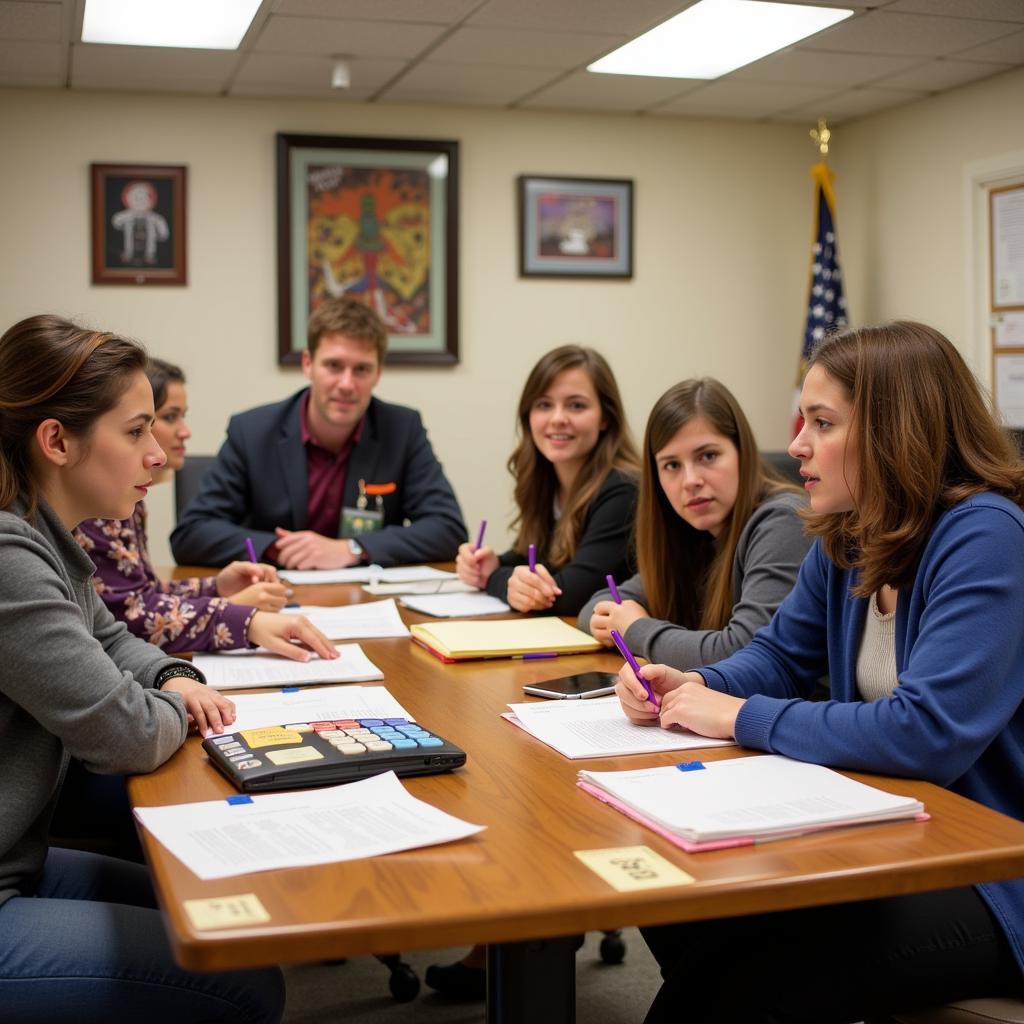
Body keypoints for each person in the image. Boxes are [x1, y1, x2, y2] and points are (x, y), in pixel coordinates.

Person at [616, 321, 1024, 1023]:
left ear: (899, 432)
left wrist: (741, 716)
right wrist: (698, 687)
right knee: (700, 919)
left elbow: (927, 732)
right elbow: (778, 657)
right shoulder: (850, 532)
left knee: (741, 977)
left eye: (823, 423)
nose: (796, 443)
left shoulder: (985, 535)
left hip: (995, 871)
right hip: (896, 831)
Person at [0, 315, 338, 1020]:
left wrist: (173, 677)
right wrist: (178, 704)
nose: (158, 454)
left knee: (208, 911)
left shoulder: (39, 535)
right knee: (242, 982)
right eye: (136, 432)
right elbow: (123, 733)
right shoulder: (9, 558)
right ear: (57, 441)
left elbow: (116, 643)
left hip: (17, 854)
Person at [170, 296, 466, 569]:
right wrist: (279, 548)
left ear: (378, 373)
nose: (347, 384)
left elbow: (448, 528)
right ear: (308, 364)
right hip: (276, 602)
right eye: (334, 366)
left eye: (361, 369)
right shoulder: (252, 432)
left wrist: (352, 548)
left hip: (365, 603)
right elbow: (192, 533)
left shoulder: (402, 430)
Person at [76, 358, 302, 654]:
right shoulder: (98, 504)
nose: (186, 431)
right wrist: (236, 612)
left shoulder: (127, 498)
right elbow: (128, 617)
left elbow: (143, 593)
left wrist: (216, 588)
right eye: (169, 418)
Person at [579, 378, 809, 667]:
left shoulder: (783, 520)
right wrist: (613, 619)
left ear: (742, 452)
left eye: (708, 456)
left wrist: (636, 629)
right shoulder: (692, 534)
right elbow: (595, 607)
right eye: (672, 465)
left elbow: (744, 653)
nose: (690, 481)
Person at [455, 345, 640, 615]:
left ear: (606, 418)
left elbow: (568, 594)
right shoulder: (548, 479)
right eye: (544, 405)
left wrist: (494, 579)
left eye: (576, 405)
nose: (557, 419)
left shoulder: (625, 489)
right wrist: (490, 563)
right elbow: (537, 556)